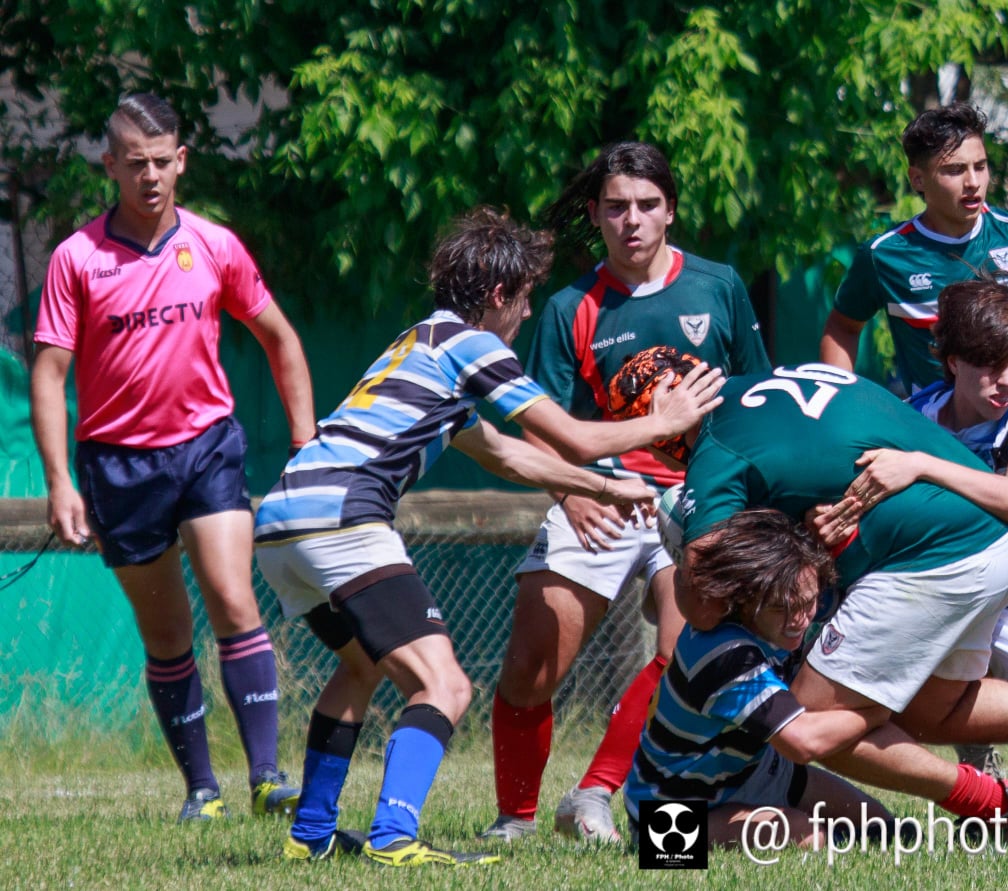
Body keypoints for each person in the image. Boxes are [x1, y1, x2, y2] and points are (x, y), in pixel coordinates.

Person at [254, 207, 721, 866]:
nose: (526, 315)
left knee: (359, 667)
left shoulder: (420, 341)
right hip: (344, 518)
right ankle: (394, 836)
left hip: (283, 519)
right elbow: (574, 435)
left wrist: (606, 488)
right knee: (445, 685)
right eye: (524, 298)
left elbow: (506, 455)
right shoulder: (476, 346)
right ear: (499, 294)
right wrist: (660, 422)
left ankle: (312, 833)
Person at [606, 347, 1008, 831]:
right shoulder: (778, 385)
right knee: (914, 723)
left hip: (930, 560)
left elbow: (704, 603)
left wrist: (878, 702)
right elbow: (801, 739)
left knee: (822, 731)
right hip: (674, 814)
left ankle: (990, 802)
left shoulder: (718, 466)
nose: (805, 595)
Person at [30, 93, 314, 822]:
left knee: (232, 595)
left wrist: (307, 442)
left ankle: (267, 776)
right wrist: (61, 482)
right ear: (110, 167)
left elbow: (279, 337)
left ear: (182, 160)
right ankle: (202, 789)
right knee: (167, 633)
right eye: (135, 163)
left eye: (162, 161)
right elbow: (50, 372)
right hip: (118, 464)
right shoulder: (77, 258)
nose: (150, 175)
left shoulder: (215, 244)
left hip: (207, 447)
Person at [483, 142, 773, 844]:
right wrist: (572, 493)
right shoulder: (567, 308)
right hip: (601, 494)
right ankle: (515, 818)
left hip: (701, 497)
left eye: (647, 205)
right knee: (530, 665)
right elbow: (540, 423)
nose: (632, 220)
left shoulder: (719, 286)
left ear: (670, 209)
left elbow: (759, 398)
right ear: (595, 214)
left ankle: (595, 794)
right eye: (616, 207)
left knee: (685, 658)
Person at [850, 280, 1008, 831]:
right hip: (957, 598)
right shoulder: (918, 414)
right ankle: (980, 783)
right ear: (953, 360)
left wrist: (921, 463)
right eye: (991, 367)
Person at [625, 509, 895, 850]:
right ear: (745, 598)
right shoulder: (724, 654)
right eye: (782, 608)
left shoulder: (778, 625)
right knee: (809, 837)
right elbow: (802, 744)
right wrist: (878, 710)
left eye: (809, 603)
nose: (799, 620)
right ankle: (648, 846)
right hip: (663, 821)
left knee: (882, 828)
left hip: (748, 774)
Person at [817, 103, 1008, 400]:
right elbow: (843, 327)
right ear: (917, 178)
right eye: (955, 170)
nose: (973, 182)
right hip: (935, 425)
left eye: (980, 166)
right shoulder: (884, 256)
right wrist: (841, 400)